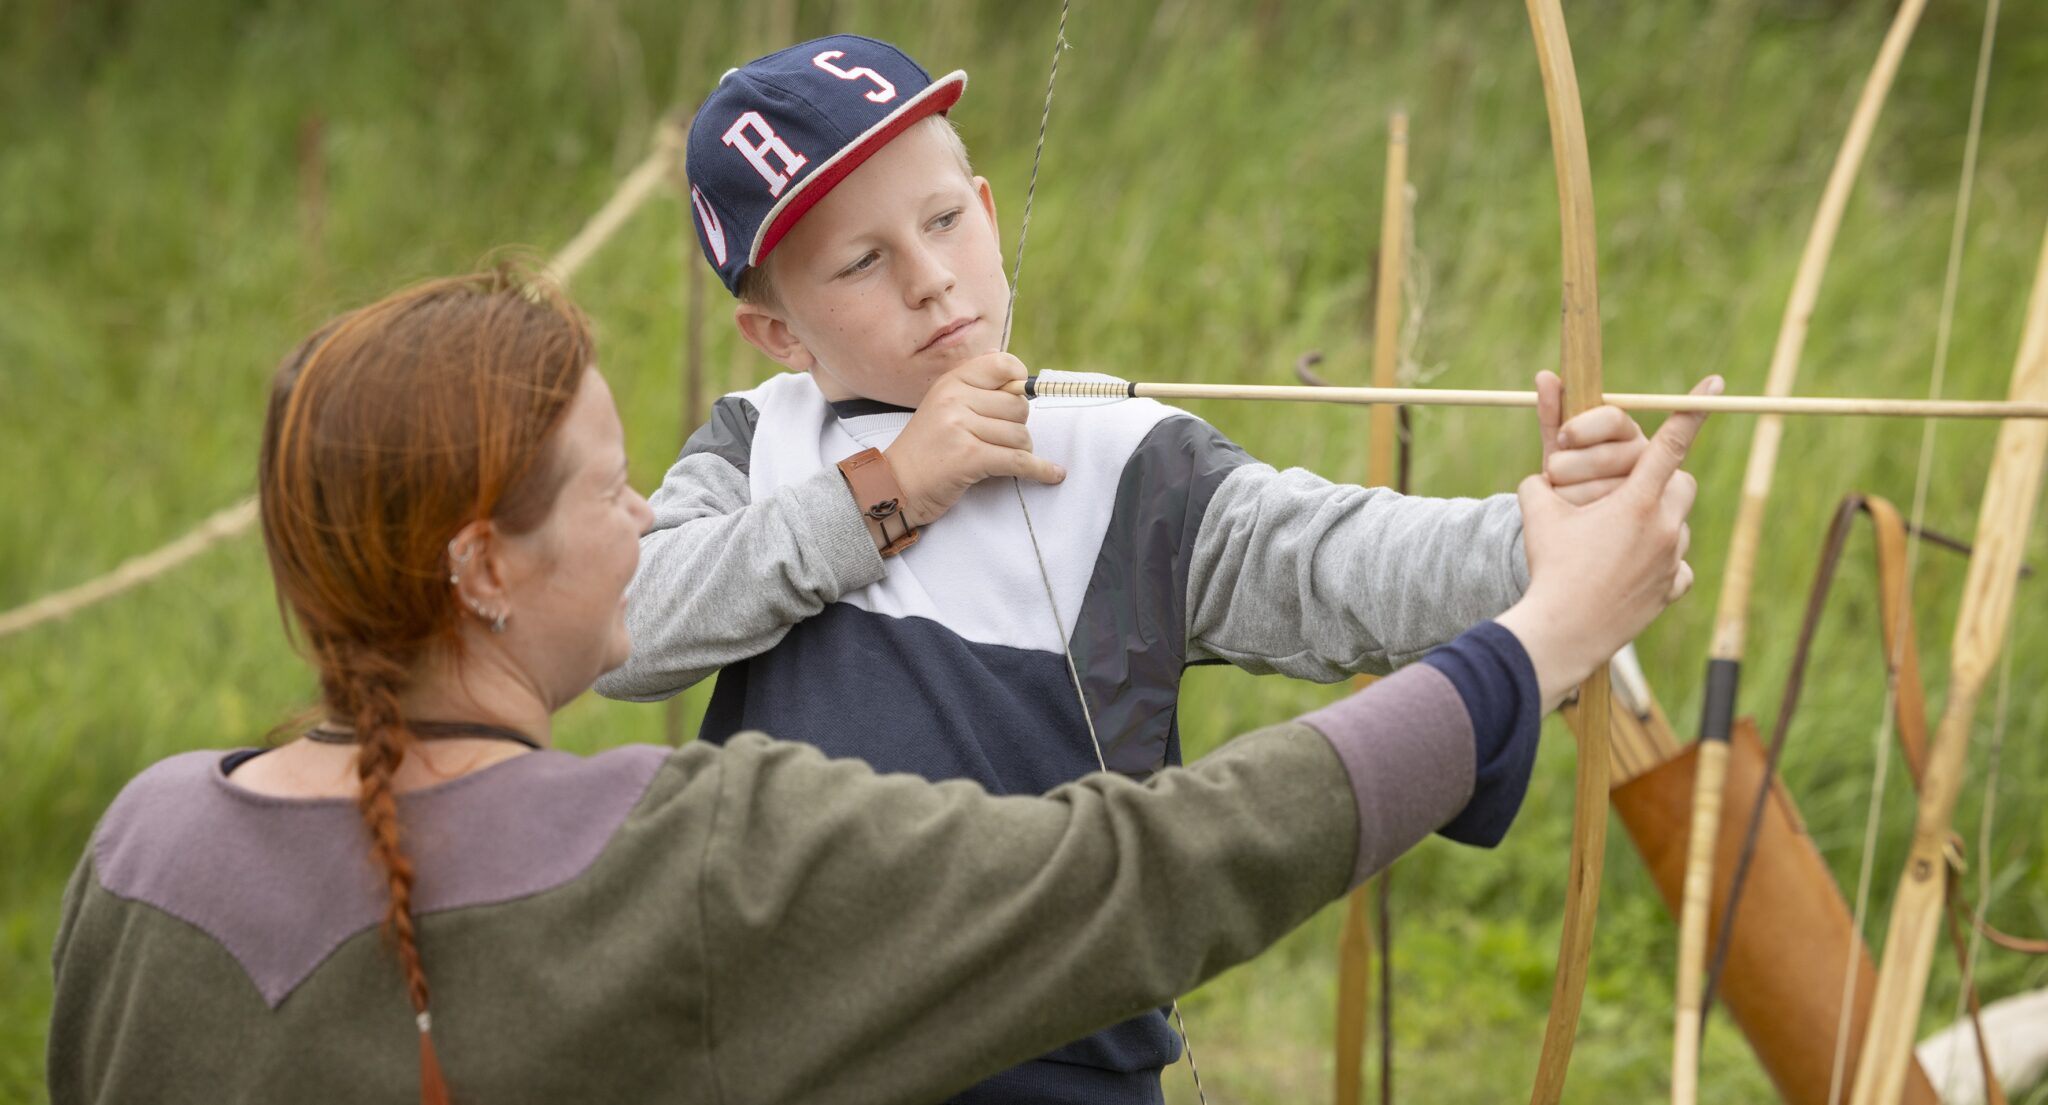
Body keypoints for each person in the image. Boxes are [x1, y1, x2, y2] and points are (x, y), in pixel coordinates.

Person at [47, 269, 1709, 1105]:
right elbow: (1147, 873)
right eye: (612, 492)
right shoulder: (678, 862)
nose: (648, 523)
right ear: (482, 568)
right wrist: (1529, 650)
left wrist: (1499, 558)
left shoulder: (137, 855)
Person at [599, 35, 1681, 1102]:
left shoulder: (1122, 461)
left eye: (942, 221)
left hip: (1049, 1066)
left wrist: (1546, 538)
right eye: (861, 261)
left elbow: (1340, 565)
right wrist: (887, 491)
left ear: (984, 202)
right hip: (783, 1056)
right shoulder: (757, 446)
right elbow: (627, 626)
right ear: (775, 330)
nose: (932, 280)